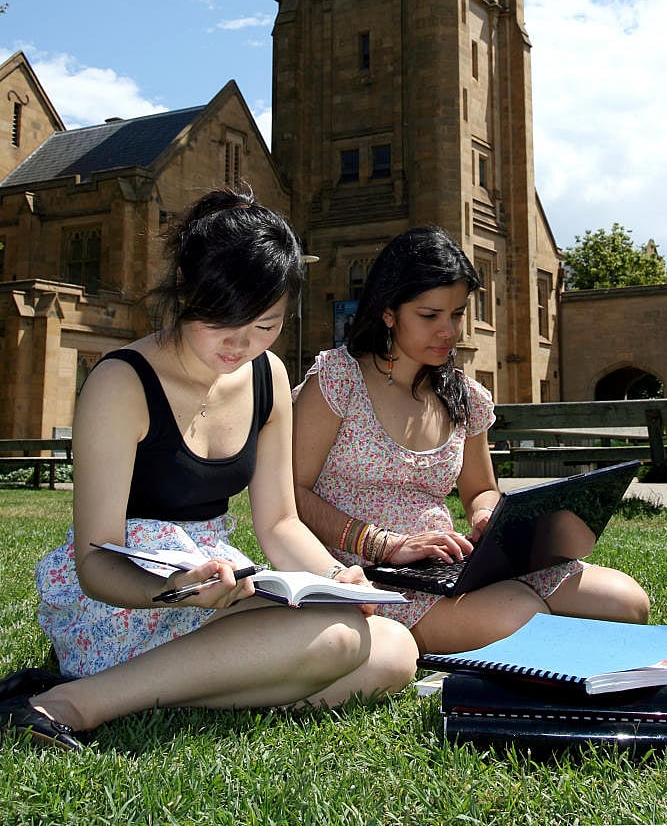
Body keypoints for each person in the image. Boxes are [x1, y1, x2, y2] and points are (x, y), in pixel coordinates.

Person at [0, 189, 417, 751]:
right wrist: (173, 589)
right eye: (224, 320)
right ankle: (62, 705)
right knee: (342, 644)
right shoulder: (121, 382)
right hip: (127, 599)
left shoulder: (267, 376)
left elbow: (279, 524)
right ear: (184, 287)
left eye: (266, 326)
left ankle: (132, 691)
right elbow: (95, 558)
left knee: (394, 652)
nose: (242, 345)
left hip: (218, 586)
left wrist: (334, 579)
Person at [293, 226, 650, 658]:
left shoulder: (463, 397)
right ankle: (541, 645)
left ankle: (547, 644)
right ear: (389, 312)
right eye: (430, 315)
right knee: (520, 616)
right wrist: (384, 544)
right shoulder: (338, 379)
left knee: (627, 602)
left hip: (449, 564)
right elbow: (291, 493)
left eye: (457, 314)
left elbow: (480, 489)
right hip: (367, 572)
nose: (448, 330)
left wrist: (486, 518)